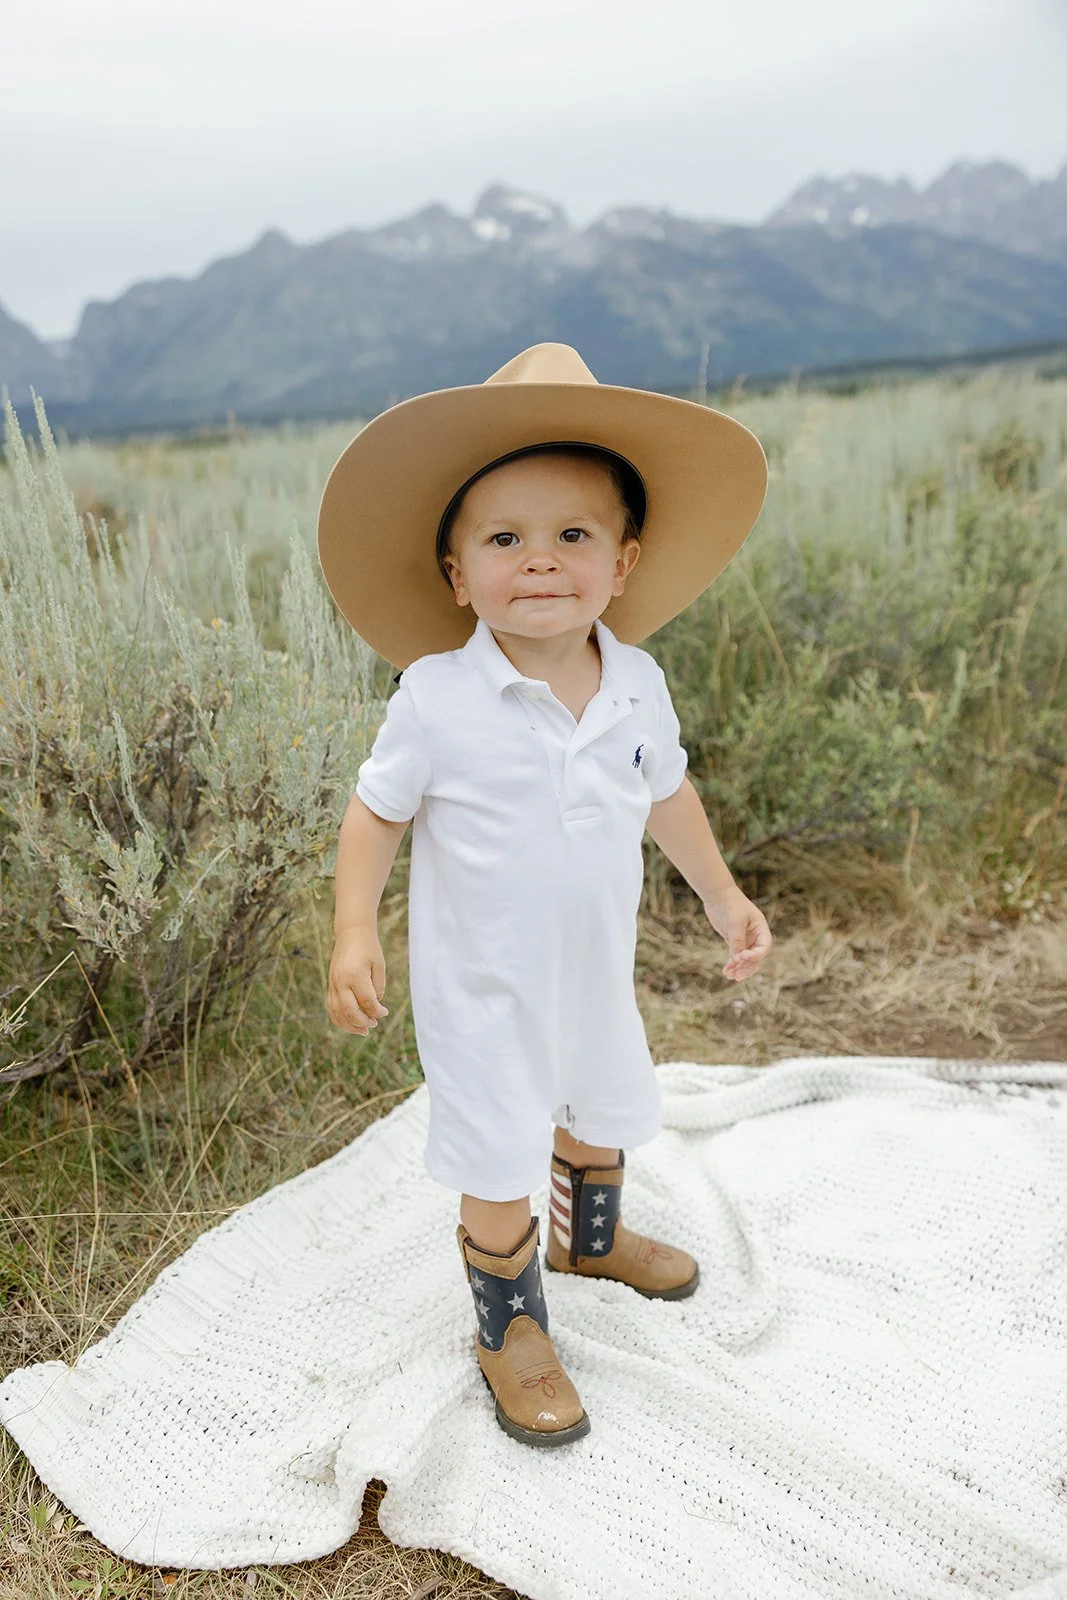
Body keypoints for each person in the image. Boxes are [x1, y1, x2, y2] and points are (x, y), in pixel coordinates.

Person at [317, 342, 773, 1448]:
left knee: (598, 1097)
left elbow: (665, 792)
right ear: (455, 573)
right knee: (494, 1144)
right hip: (480, 989)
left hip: (588, 970)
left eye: (572, 534)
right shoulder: (437, 697)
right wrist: (351, 931)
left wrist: (718, 895)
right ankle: (510, 1324)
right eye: (504, 538)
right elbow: (375, 814)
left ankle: (590, 1235)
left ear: (622, 563)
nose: (540, 561)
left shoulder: (635, 682)